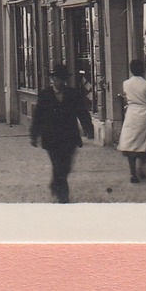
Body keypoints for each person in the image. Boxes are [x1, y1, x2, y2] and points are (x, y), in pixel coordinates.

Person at [29, 63, 94, 203]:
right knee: (58, 165)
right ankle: (63, 196)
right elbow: (38, 116)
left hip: (69, 136)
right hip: (51, 137)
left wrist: (88, 129)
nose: (58, 81)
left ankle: (55, 183)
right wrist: (34, 135)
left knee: (66, 166)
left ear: (64, 80)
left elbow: (82, 113)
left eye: (61, 78)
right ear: (52, 79)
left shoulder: (73, 94)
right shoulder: (45, 95)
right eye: (56, 78)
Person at [117, 58, 146, 183]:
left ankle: (133, 173)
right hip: (144, 114)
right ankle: (141, 166)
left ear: (131, 70)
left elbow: (127, 98)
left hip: (132, 113)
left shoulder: (126, 83)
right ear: (143, 70)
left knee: (130, 143)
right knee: (144, 142)